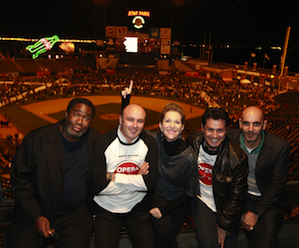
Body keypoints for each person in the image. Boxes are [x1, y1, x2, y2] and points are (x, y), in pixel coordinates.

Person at [9, 98, 101, 248]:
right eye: (76, 114)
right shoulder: (38, 139)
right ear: (66, 114)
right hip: (33, 212)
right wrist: (36, 215)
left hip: (74, 216)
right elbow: (20, 179)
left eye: (86, 117)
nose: (79, 121)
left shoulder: (97, 143)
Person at [121, 81, 199, 248]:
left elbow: (190, 192)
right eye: (168, 121)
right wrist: (126, 102)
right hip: (158, 195)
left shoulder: (189, 156)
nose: (172, 126)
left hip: (179, 202)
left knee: (163, 234)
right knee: (161, 233)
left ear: (183, 127)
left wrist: (165, 209)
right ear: (161, 125)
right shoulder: (154, 140)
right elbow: (132, 129)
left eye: (177, 122)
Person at [91, 103, 158, 248]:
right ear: (120, 119)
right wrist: (136, 178)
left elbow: (150, 184)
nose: (135, 125)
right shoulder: (102, 143)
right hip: (106, 208)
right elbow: (97, 186)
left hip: (136, 206)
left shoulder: (149, 143)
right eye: (130, 120)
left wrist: (112, 176)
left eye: (140, 121)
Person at [185, 107, 248, 248]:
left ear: (227, 130)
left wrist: (223, 226)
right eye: (210, 129)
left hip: (225, 207)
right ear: (202, 128)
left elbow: (236, 197)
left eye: (220, 130)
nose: (214, 135)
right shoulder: (192, 141)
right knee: (208, 244)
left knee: (225, 244)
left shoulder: (237, 158)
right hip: (202, 201)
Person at [228, 106, 290, 248]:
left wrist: (255, 213)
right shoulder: (229, 139)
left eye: (256, 124)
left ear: (264, 125)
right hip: (238, 196)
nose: (250, 129)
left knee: (266, 240)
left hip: (266, 199)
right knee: (219, 233)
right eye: (246, 123)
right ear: (239, 123)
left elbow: (277, 186)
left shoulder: (279, 147)